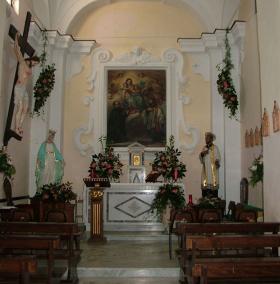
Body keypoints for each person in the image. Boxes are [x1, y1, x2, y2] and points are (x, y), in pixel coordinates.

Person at [14, 32, 40, 136]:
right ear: (32, 59)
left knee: (25, 108)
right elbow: (17, 49)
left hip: (24, 88)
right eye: (35, 63)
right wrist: (16, 38)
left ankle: (20, 126)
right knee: (20, 108)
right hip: (19, 87)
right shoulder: (22, 62)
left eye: (36, 64)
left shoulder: (29, 68)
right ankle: (16, 128)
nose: (35, 64)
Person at [199, 132, 221, 198]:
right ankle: (205, 206)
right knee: (205, 193)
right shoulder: (204, 148)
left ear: (211, 139)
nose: (206, 139)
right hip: (205, 172)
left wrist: (217, 162)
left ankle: (214, 206)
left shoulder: (215, 148)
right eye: (205, 138)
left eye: (207, 138)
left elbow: (218, 157)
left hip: (212, 173)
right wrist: (202, 154)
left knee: (213, 194)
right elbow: (201, 160)